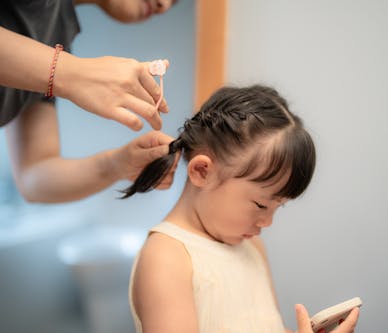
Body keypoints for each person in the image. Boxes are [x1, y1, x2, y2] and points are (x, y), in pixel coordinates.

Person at [124, 85, 360, 333]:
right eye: (260, 204)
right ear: (202, 171)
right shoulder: (168, 256)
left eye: (278, 207)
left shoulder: (252, 247)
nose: (267, 222)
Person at [0, 0, 179, 203]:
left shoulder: (57, 36)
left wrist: (117, 165)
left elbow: (33, 177)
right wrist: (71, 73)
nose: (164, 5)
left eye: (174, 3)